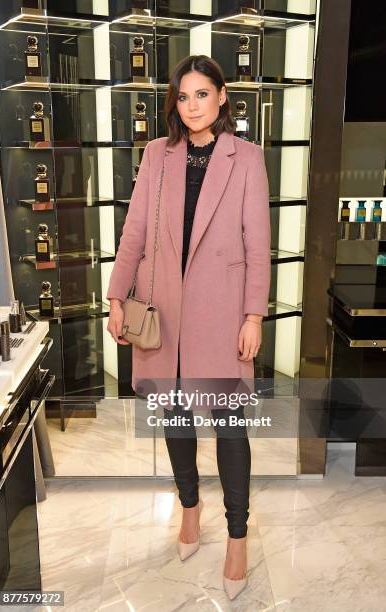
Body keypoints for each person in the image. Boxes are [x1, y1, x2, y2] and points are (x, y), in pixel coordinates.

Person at [106, 54, 271, 600]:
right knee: (174, 418)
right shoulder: (158, 154)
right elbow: (134, 233)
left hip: (222, 312)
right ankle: (190, 508)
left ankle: (239, 537)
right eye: (183, 95)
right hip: (163, 313)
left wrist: (253, 315)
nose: (193, 104)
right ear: (174, 102)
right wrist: (116, 297)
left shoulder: (246, 158)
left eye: (203, 94)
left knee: (230, 428)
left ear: (222, 97)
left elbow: (257, 245)